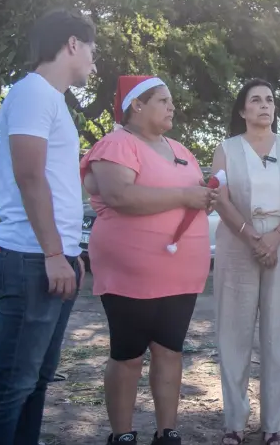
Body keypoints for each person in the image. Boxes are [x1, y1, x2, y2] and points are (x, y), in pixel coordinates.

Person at [0, 8, 96, 445]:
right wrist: (51, 253)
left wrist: (70, 253)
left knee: (37, 380)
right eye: (91, 50)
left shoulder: (53, 101)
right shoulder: (31, 93)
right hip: (29, 257)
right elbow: (30, 176)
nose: (92, 61)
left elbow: (57, 185)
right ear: (71, 44)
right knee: (13, 385)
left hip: (50, 257)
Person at [80, 75, 217, 445]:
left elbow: (194, 192)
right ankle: (122, 435)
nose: (172, 106)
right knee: (127, 354)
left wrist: (204, 197)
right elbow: (120, 195)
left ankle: (167, 431)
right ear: (136, 105)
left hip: (181, 273)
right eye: (163, 100)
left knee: (170, 350)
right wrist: (186, 197)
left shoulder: (181, 149)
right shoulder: (117, 144)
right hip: (131, 272)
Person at [210, 78, 280, 445]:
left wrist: (277, 236)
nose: (264, 105)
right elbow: (219, 197)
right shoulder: (226, 148)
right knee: (233, 334)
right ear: (243, 110)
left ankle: (273, 426)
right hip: (238, 239)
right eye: (256, 100)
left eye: (269, 100)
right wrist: (252, 236)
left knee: (277, 335)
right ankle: (234, 424)